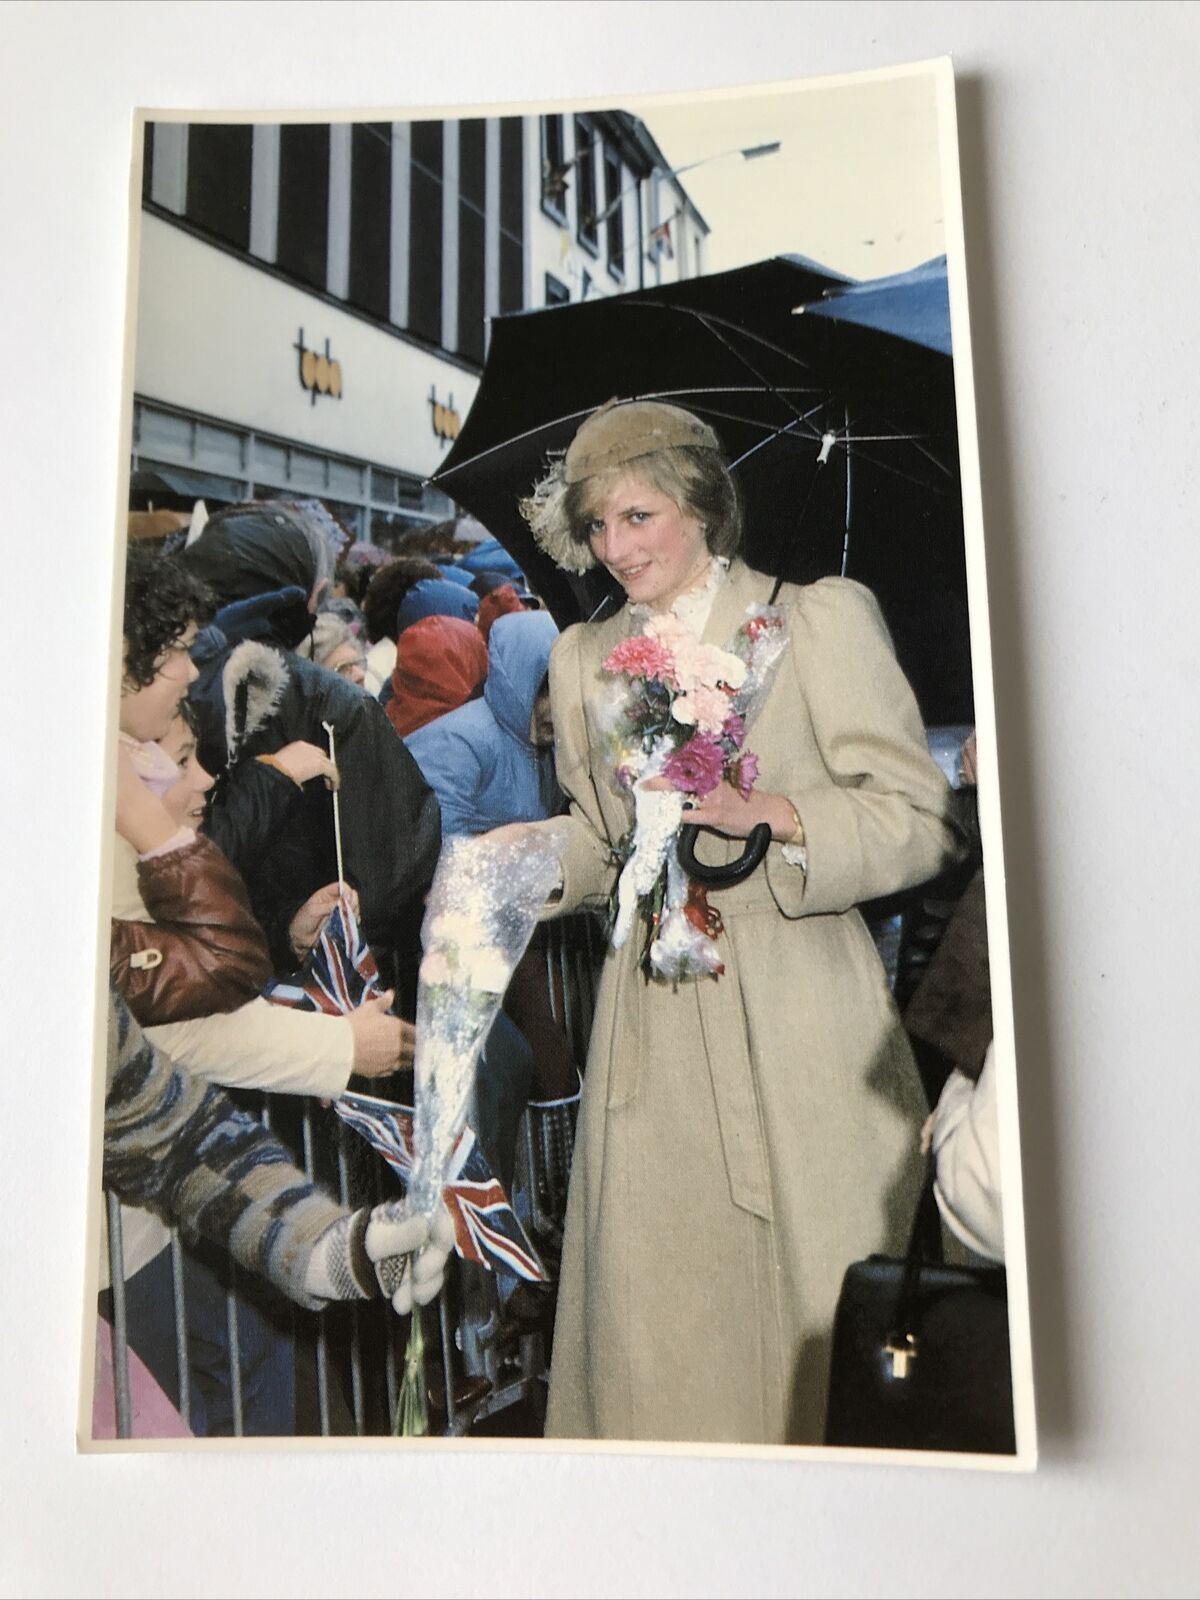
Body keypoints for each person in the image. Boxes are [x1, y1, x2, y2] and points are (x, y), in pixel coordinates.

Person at [515, 399, 965, 1444]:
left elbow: (921, 820)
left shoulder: (813, 620)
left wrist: (780, 813)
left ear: (702, 506)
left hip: (804, 1013)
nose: (615, 549)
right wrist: (519, 864)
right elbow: (602, 839)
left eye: (639, 516)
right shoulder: (582, 657)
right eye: (596, 527)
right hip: (655, 1033)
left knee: (818, 1328)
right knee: (659, 1343)